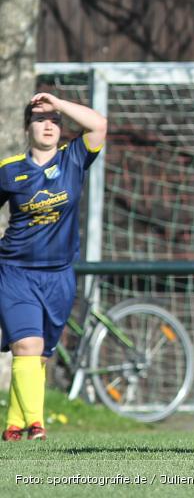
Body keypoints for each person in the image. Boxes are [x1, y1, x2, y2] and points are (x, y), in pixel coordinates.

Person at [1, 93, 107, 441]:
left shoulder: (73, 158)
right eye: (40, 118)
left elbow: (99, 125)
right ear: (26, 128)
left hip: (59, 275)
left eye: (54, 120)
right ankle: (37, 425)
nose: (48, 125)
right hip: (15, 272)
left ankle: (13, 425)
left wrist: (58, 103)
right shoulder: (9, 170)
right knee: (26, 345)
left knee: (40, 356)